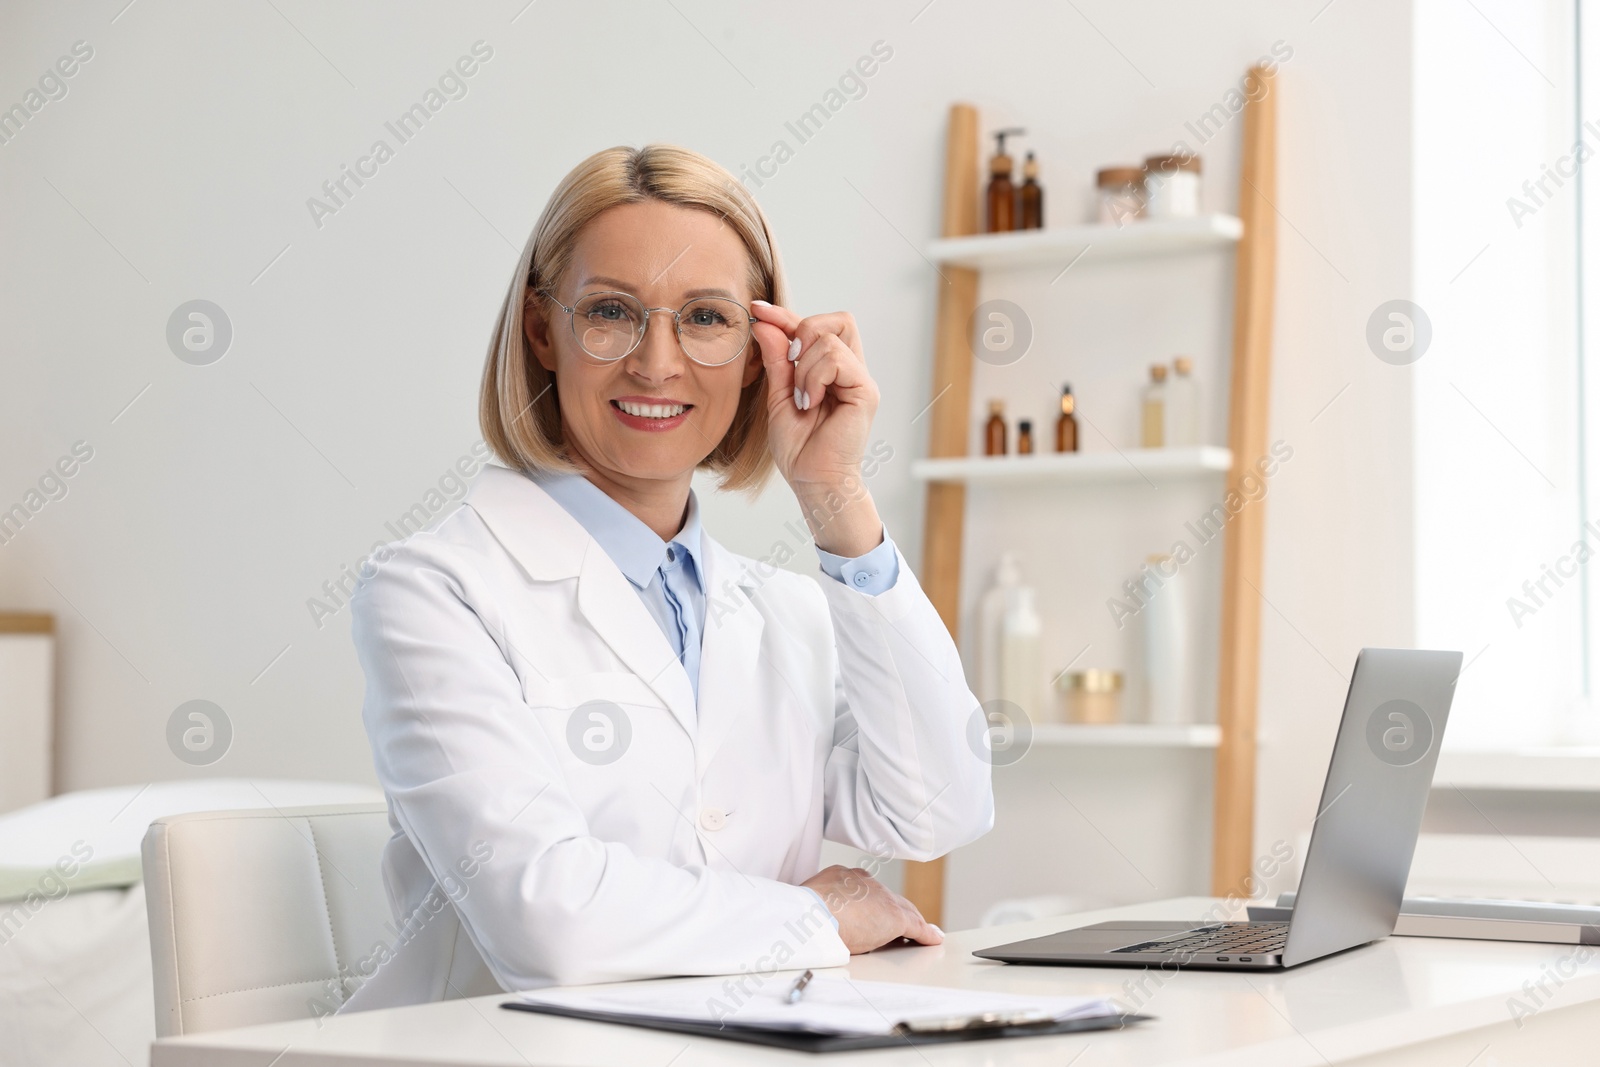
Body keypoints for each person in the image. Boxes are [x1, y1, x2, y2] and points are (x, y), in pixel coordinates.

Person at [341, 144, 993, 1011]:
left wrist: (836, 497)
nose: (657, 362)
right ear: (543, 330)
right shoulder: (433, 590)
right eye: (612, 311)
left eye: (706, 318)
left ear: (765, 349)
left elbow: (940, 808)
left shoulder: (788, 609)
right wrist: (810, 917)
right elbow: (547, 922)